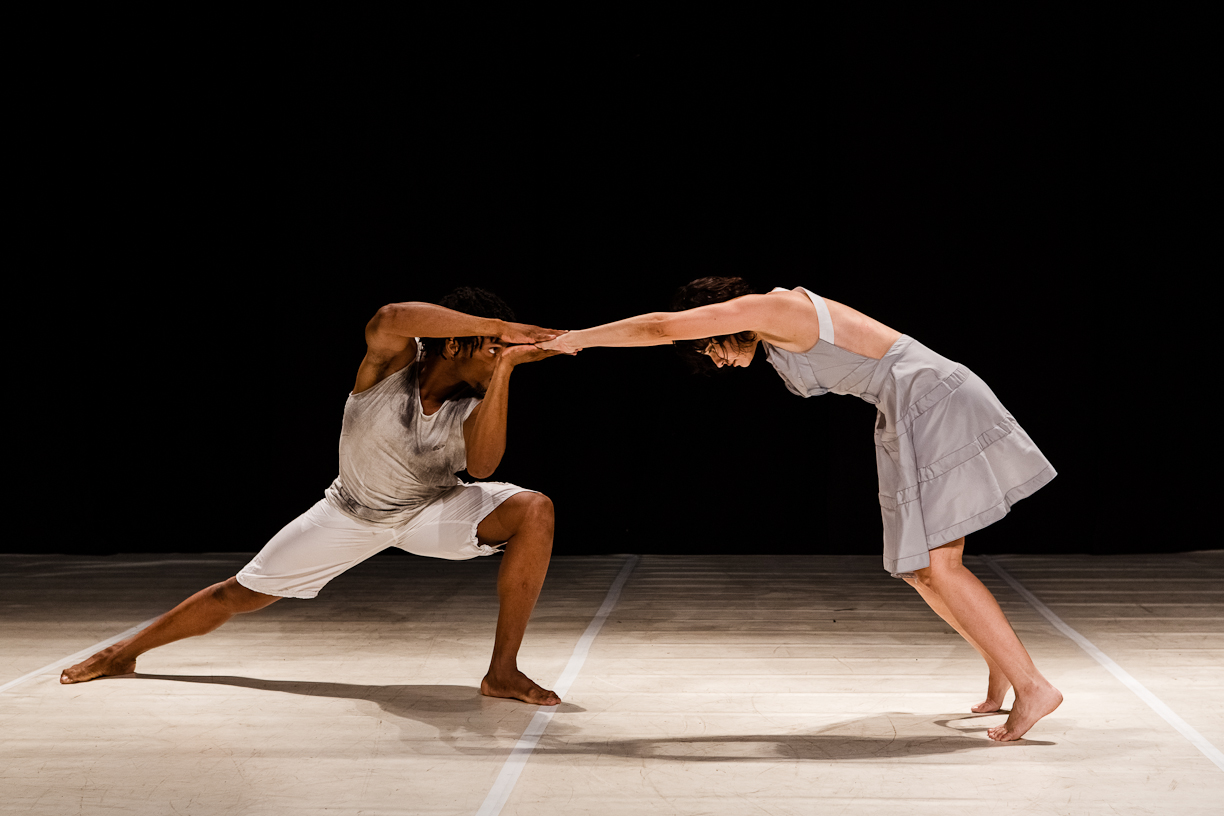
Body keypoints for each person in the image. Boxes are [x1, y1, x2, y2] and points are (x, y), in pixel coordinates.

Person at [540, 277, 1061, 740]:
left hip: (934, 402)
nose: (713, 359)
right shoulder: (771, 335)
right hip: (906, 409)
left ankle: (1033, 685)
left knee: (939, 566)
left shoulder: (773, 309)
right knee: (920, 571)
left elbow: (658, 327)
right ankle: (1002, 667)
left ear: (725, 316)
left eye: (707, 345)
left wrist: (573, 339)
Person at [62, 286, 568, 706]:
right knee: (237, 595)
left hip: (429, 511)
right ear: (455, 344)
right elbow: (392, 316)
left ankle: (502, 672)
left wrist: (502, 369)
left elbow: (481, 467)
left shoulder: (479, 401)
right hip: (349, 512)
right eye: (492, 348)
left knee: (534, 509)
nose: (503, 355)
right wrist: (497, 329)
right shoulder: (394, 363)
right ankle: (122, 653)